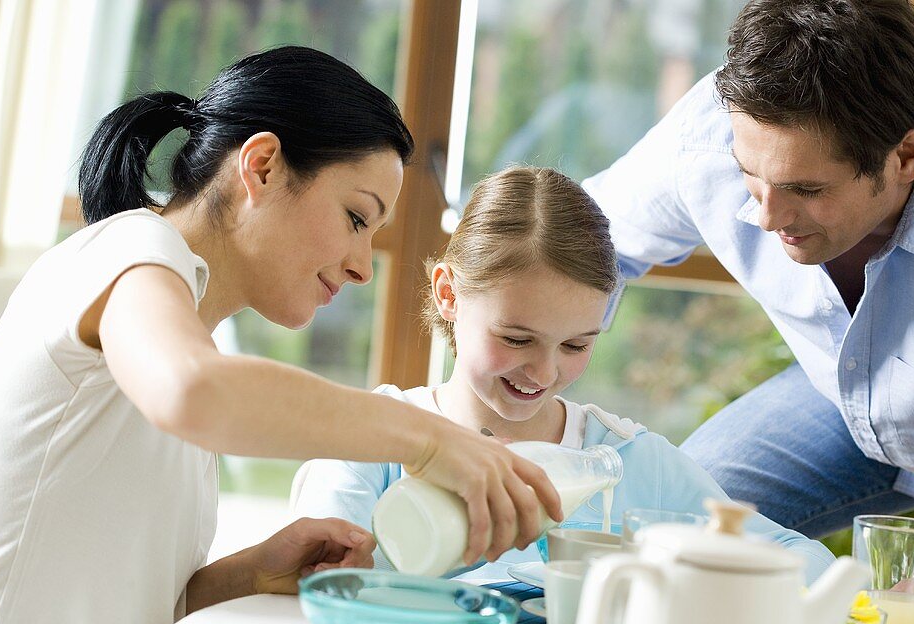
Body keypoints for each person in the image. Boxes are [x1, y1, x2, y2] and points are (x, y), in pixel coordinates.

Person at [0, 47, 562, 624]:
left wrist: (250, 577)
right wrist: (430, 438)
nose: (361, 268)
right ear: (260, 166)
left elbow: (113, 614)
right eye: (356, 217)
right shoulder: (128, 254)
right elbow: (195, 394)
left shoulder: (185, 340)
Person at [582, 0, 914, 624]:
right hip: (841, 404)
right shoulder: (715, 127)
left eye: (807, 189)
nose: (766, 218)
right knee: (677, 536)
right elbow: (582, 242)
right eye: (750, 177)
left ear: (908, 155)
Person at [293, 165, 836, 583]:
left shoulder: (627, 463)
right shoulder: (372, 443)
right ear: (448, 294)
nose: (544, 371)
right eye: (517, 339)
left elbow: (797, 559)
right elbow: (315, 587)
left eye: (576, 345)